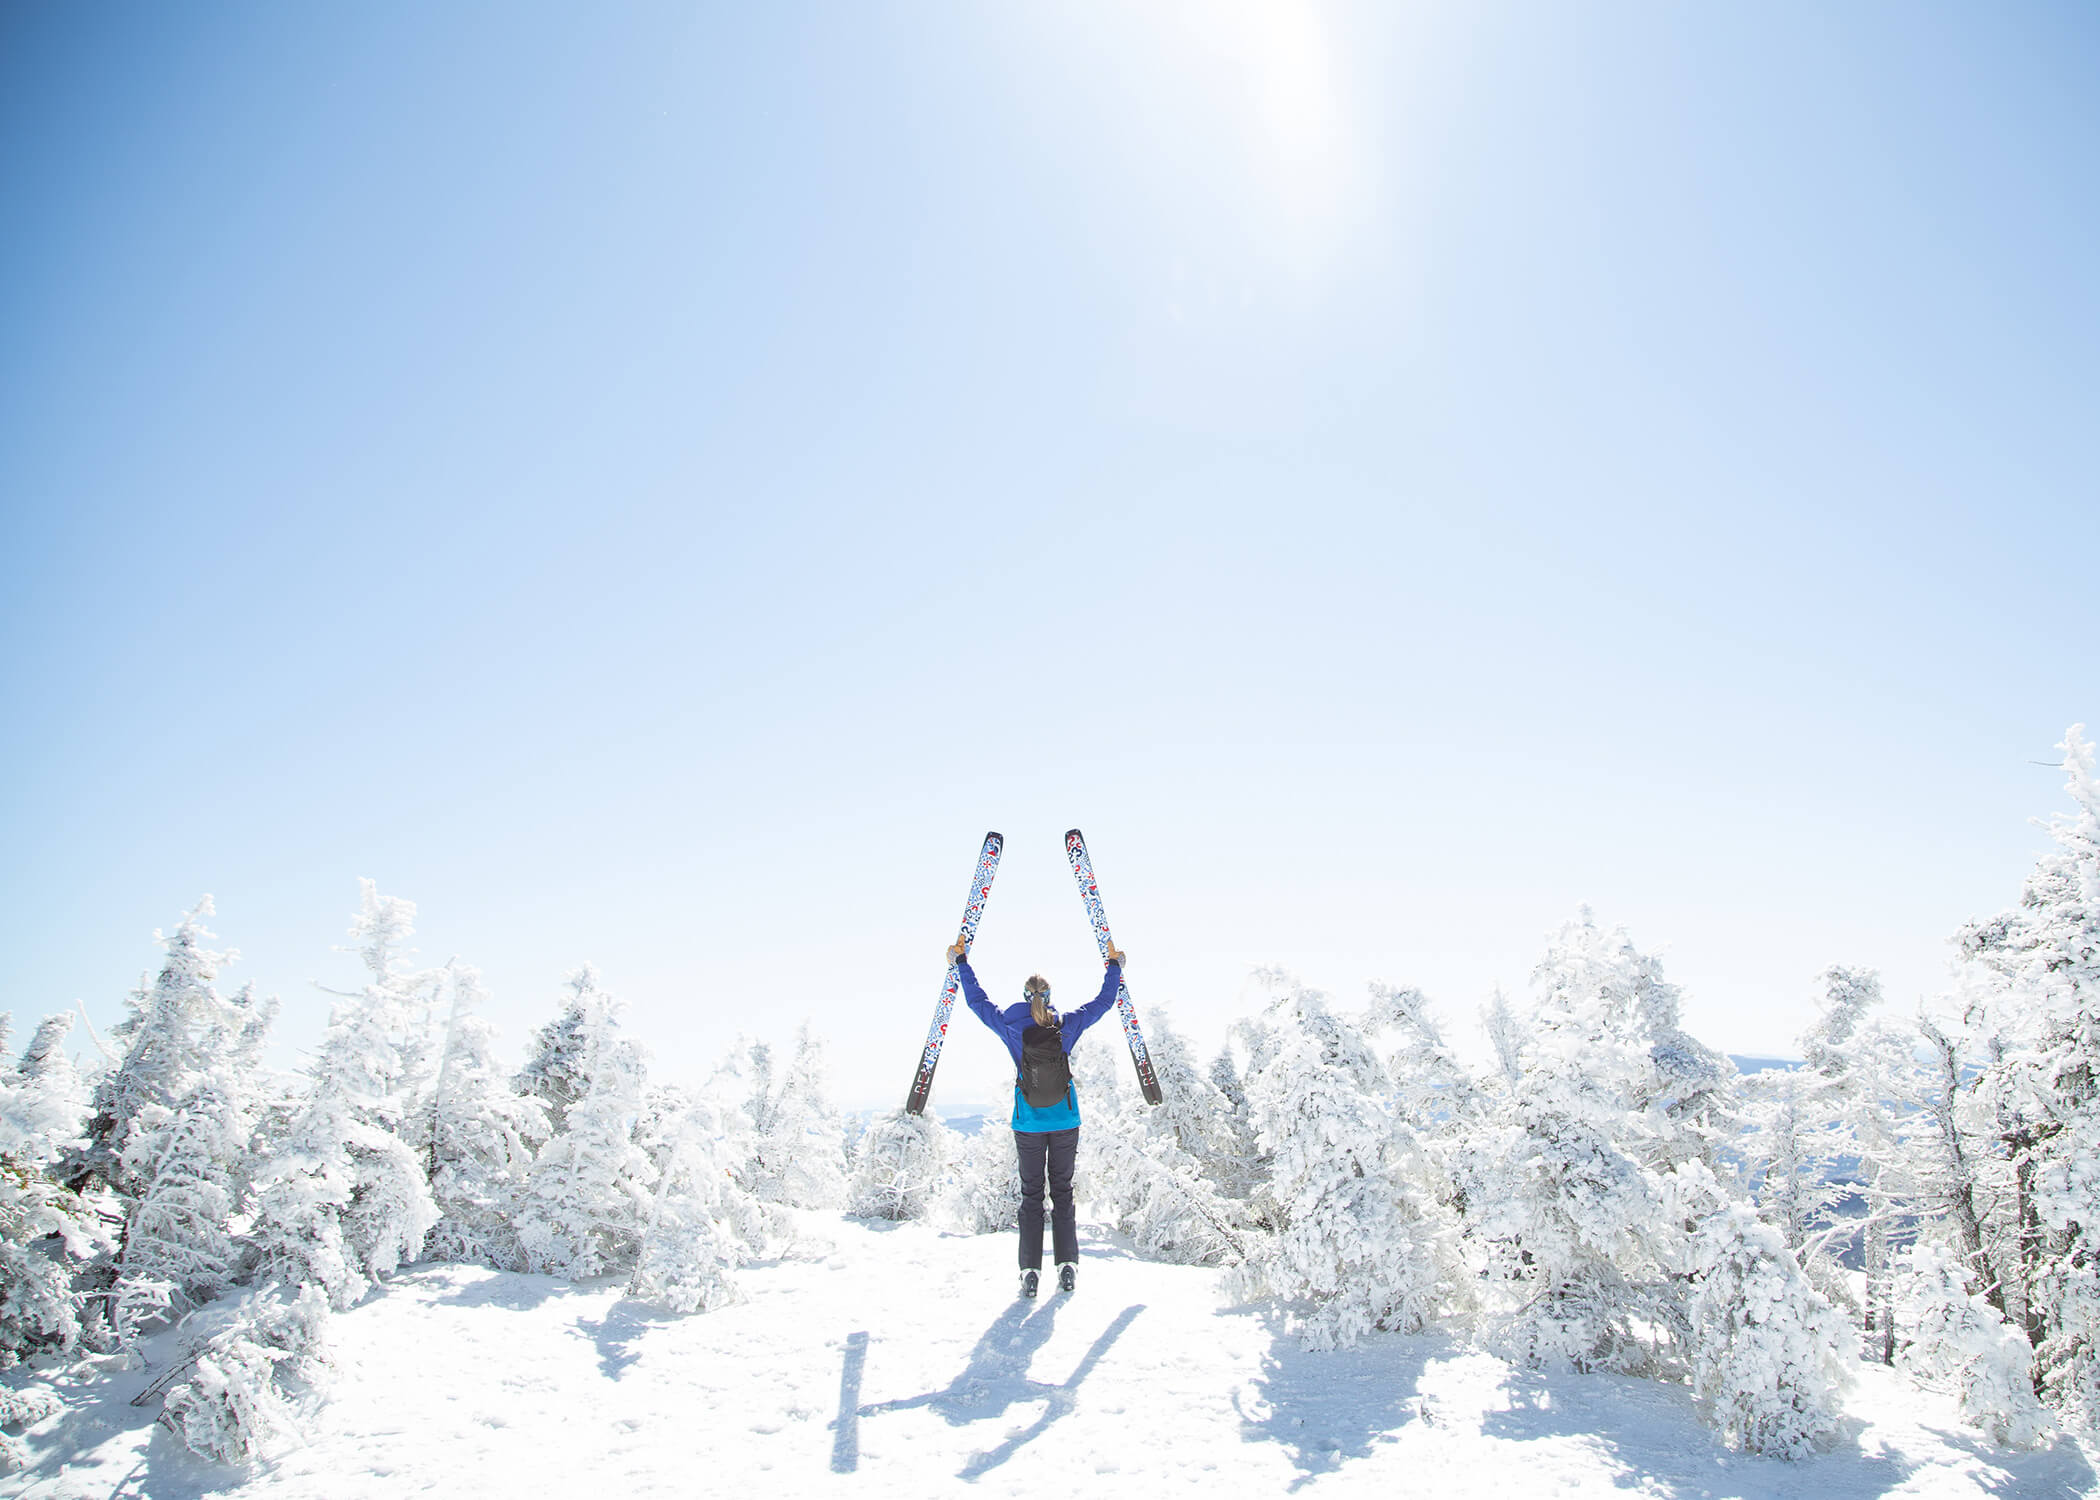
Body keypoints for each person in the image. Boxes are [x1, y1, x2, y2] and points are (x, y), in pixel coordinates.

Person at [948, 938, 1124, 1299]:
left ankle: (1030, 1271)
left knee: (1032, 1196)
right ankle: (1068, 1266)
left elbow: (976, 1002)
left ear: (1024, 995)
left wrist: (960, 962)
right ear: (1050, 994)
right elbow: (1103, 1003)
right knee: (1062, 1192)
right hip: (1064, 1120)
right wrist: (1115, 966)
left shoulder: (1011, 1025)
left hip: (1027, 1122)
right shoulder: (1066, 1025)